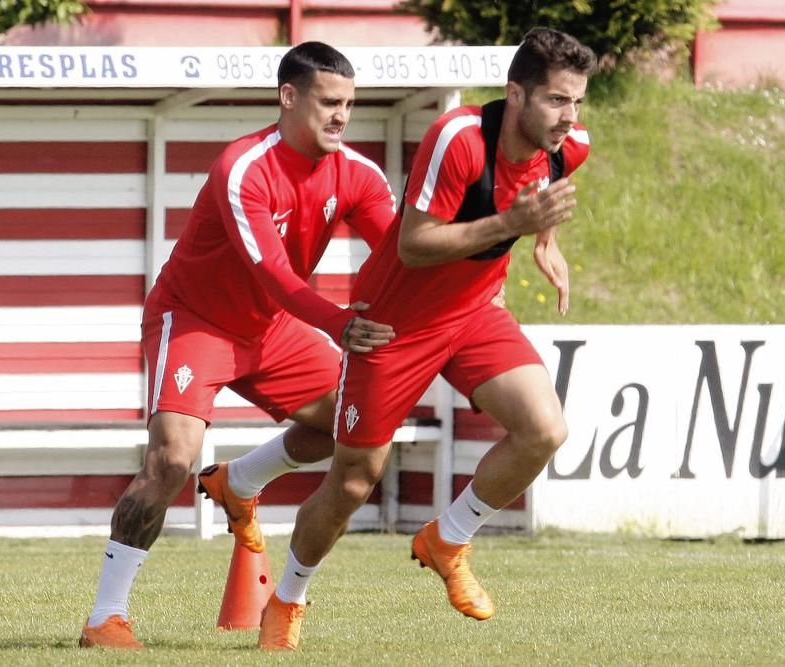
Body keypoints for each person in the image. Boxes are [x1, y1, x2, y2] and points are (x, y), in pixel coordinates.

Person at [256, 27, 598, 650]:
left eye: (577, 101)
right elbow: (414, 245)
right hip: (394, 323)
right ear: (515, 95)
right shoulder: (459, 138)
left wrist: (545, 244)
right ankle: (288, 596)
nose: (569, 117)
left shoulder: (569, 146)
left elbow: (539, 203)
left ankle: (448, 538)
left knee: (545, 429)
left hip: (472, 312)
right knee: (355, 481)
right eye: (556, 100)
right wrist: (511, 224)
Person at [78, 41, 398, 650]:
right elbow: (273, 274)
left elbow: (400, 256)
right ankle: (104, 618)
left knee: (353, 425)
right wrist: (338, 323)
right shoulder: (244, 167)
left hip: (272, 328)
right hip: (196, 319)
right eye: (329, 102)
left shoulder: (357, 174)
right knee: (172, 459)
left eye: (349, 105)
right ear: (288, 97)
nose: (341, 116)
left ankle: (240, 481)